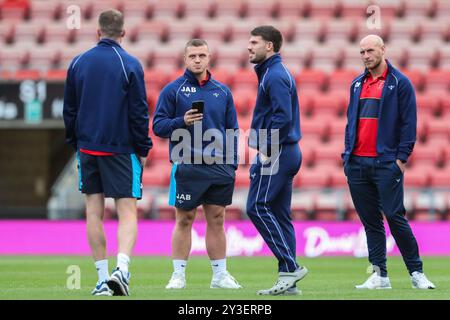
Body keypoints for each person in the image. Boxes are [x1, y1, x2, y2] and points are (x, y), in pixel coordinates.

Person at [63, 9, 152, 296]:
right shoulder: (130, 64)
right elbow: (139, 112)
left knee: (93, 212)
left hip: (88, 148)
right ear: (123, 34)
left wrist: (75, 142)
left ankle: (102, 280)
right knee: (126, 212)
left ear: (97, 32)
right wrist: (143, 147)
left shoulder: (78, 63)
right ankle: (122, 270)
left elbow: (69, 110)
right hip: (120, 149)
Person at [343, 35, 435, 290]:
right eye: (362, 52)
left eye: (370, 50)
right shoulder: (356, 84)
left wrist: (400, 160)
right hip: (357, 163)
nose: (365, 56)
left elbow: (409, 124)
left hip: (386, 163)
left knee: (395, 217)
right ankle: (379, 275)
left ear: (383, 50)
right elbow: (352, 123)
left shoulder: (400, 83)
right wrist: (346, 156)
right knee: (370, 221)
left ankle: (416, 272)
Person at [153, 39, 242, 290]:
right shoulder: (173, 91)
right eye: (192, 56)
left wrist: (232, 164)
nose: (197, 60)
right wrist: (181, 121)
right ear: (185, 58)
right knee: (184, 219)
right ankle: (178, 275)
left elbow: (232, 130)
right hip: (187, 163)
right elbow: (158, 126)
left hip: (219, 166)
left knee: (217, 219)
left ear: (209, 57)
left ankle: (220, 276)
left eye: (202, 55)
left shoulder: (222, 91)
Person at [245, 26, 308, 296]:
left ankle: (291, 266)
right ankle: (288, 281)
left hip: (279, 151)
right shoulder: (272, 73)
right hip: (287, 150)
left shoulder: (274, 76)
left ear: (269, 46)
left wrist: (265, 150)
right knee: (281, 216)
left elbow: (283, 118)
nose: (249, 46)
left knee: (256, 206)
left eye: (254, 42)